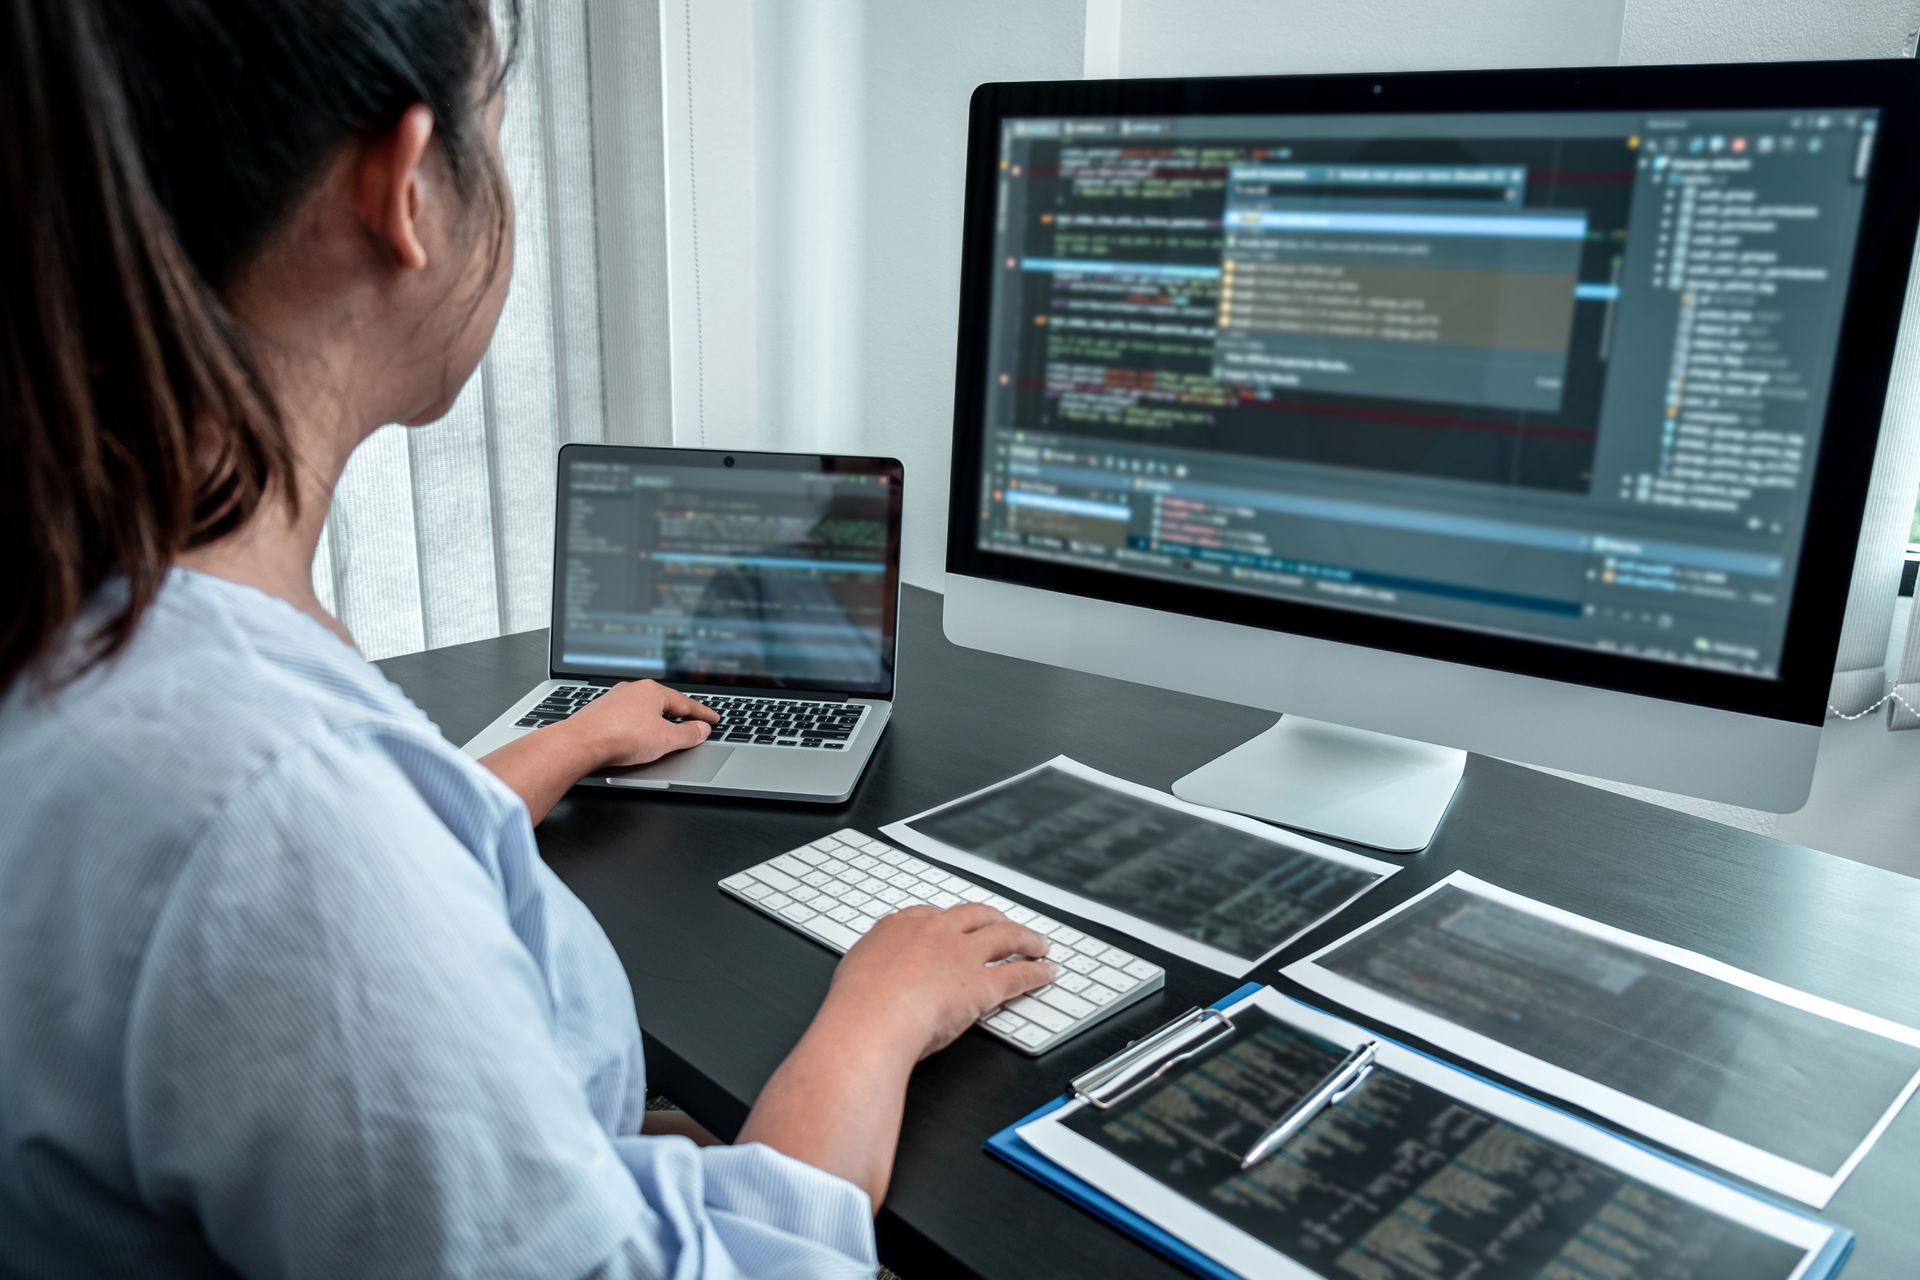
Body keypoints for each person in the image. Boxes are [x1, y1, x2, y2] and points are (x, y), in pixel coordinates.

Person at [0, 1, 1058, 1275]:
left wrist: (557, 750)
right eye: (494, 140)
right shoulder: (292, 822)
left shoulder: (92, 625)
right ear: (402, 190)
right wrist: (876, 1016)